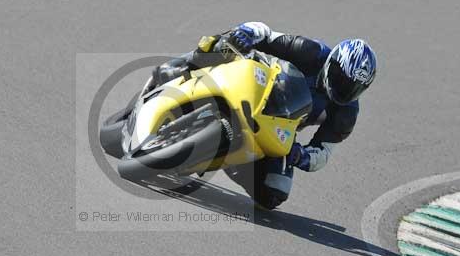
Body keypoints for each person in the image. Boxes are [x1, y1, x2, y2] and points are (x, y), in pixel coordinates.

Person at [152, 22, 378, 209]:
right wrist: (247, 33)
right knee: (226, 44)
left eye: (353, 87)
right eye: (341, 79)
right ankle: (183, 68)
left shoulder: (346, 113)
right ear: (333, 63)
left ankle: (231, 160)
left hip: (276, 126)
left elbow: (323, 152)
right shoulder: (311, 51)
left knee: (274, 193)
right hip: (255, 85)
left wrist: (301, 155)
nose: (344, 90)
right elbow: (266, 35)